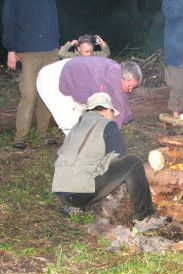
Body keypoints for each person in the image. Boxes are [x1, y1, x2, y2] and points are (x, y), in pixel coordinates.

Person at [52, 92, 170, 231]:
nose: (114, 116)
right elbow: (120, 160)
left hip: (62, 191)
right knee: (133, 162)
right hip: (80, 194)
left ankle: (74, 207)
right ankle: (146, 217)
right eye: (113, 112)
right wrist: (142, 183)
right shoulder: (107, 126)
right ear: (106, 109)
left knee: (85, 169)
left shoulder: (77, 126)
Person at [2, 0, 60, 150]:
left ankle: (43, 132)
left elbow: (52, 18)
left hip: (50, 49)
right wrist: (11, 49)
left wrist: (56, 41)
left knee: (47, 93)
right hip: (27, 50)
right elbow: (9, 21)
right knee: (28, 94)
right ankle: (20, 136)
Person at [37, 56, 141, 136]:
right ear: (122, 79)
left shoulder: (117, 72)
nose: (130, 91)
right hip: (51, 80)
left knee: (83, 119)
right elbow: (111, 112)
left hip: (70, 74)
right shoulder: (108, 82)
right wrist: (111, 136)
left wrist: (127, 116)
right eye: (129, 87)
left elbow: (121, 99)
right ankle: (76, 156)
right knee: (71, 125)